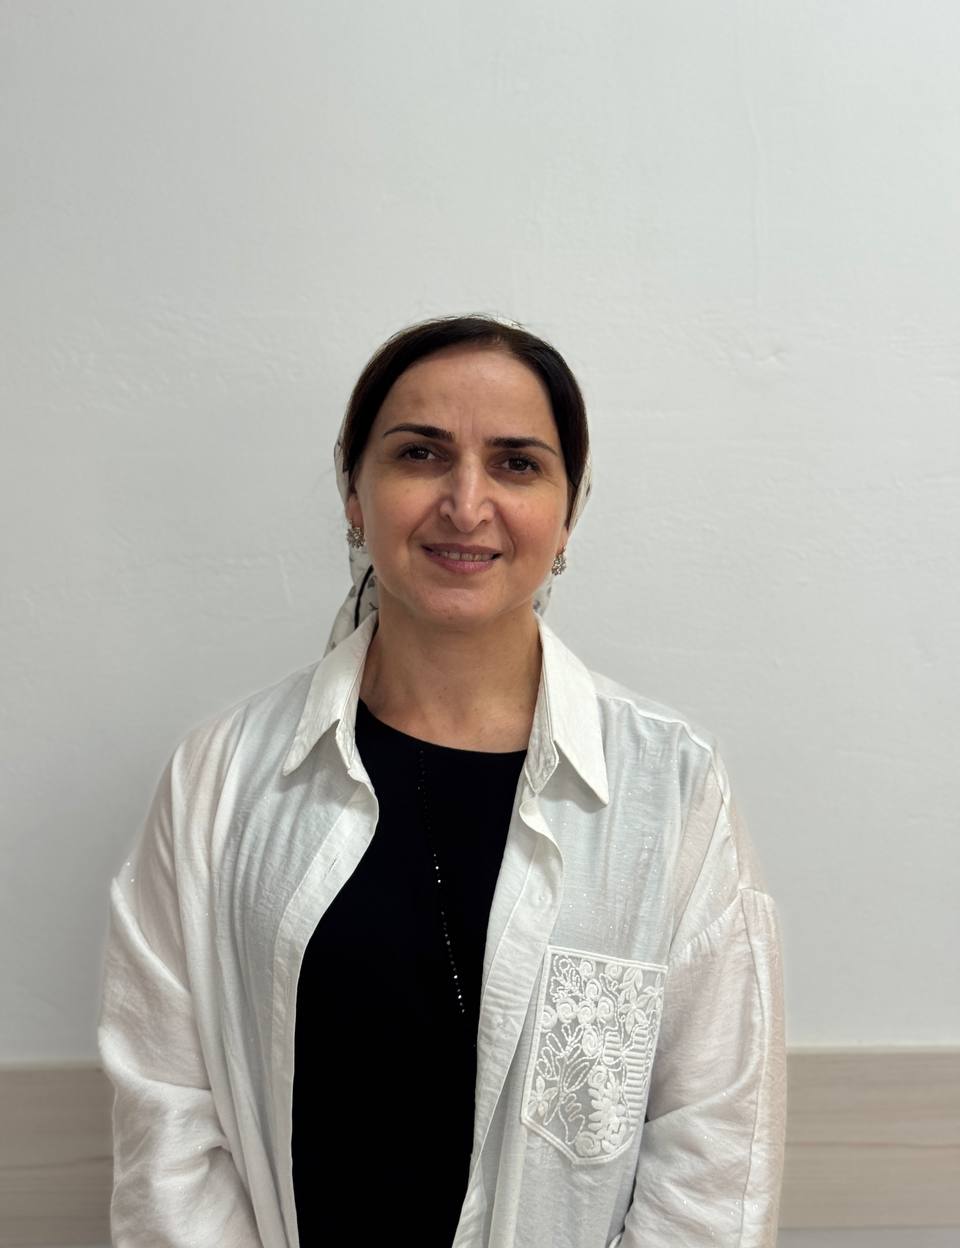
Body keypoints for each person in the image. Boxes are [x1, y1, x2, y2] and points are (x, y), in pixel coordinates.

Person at [97, 315, 787, 1247]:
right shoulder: (218, 779)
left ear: (568, 511)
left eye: (516, 464)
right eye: (420, 454)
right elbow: (167, 1131)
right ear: (354, 492)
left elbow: (713, 1165)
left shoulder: (672, 792)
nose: (466, 504)